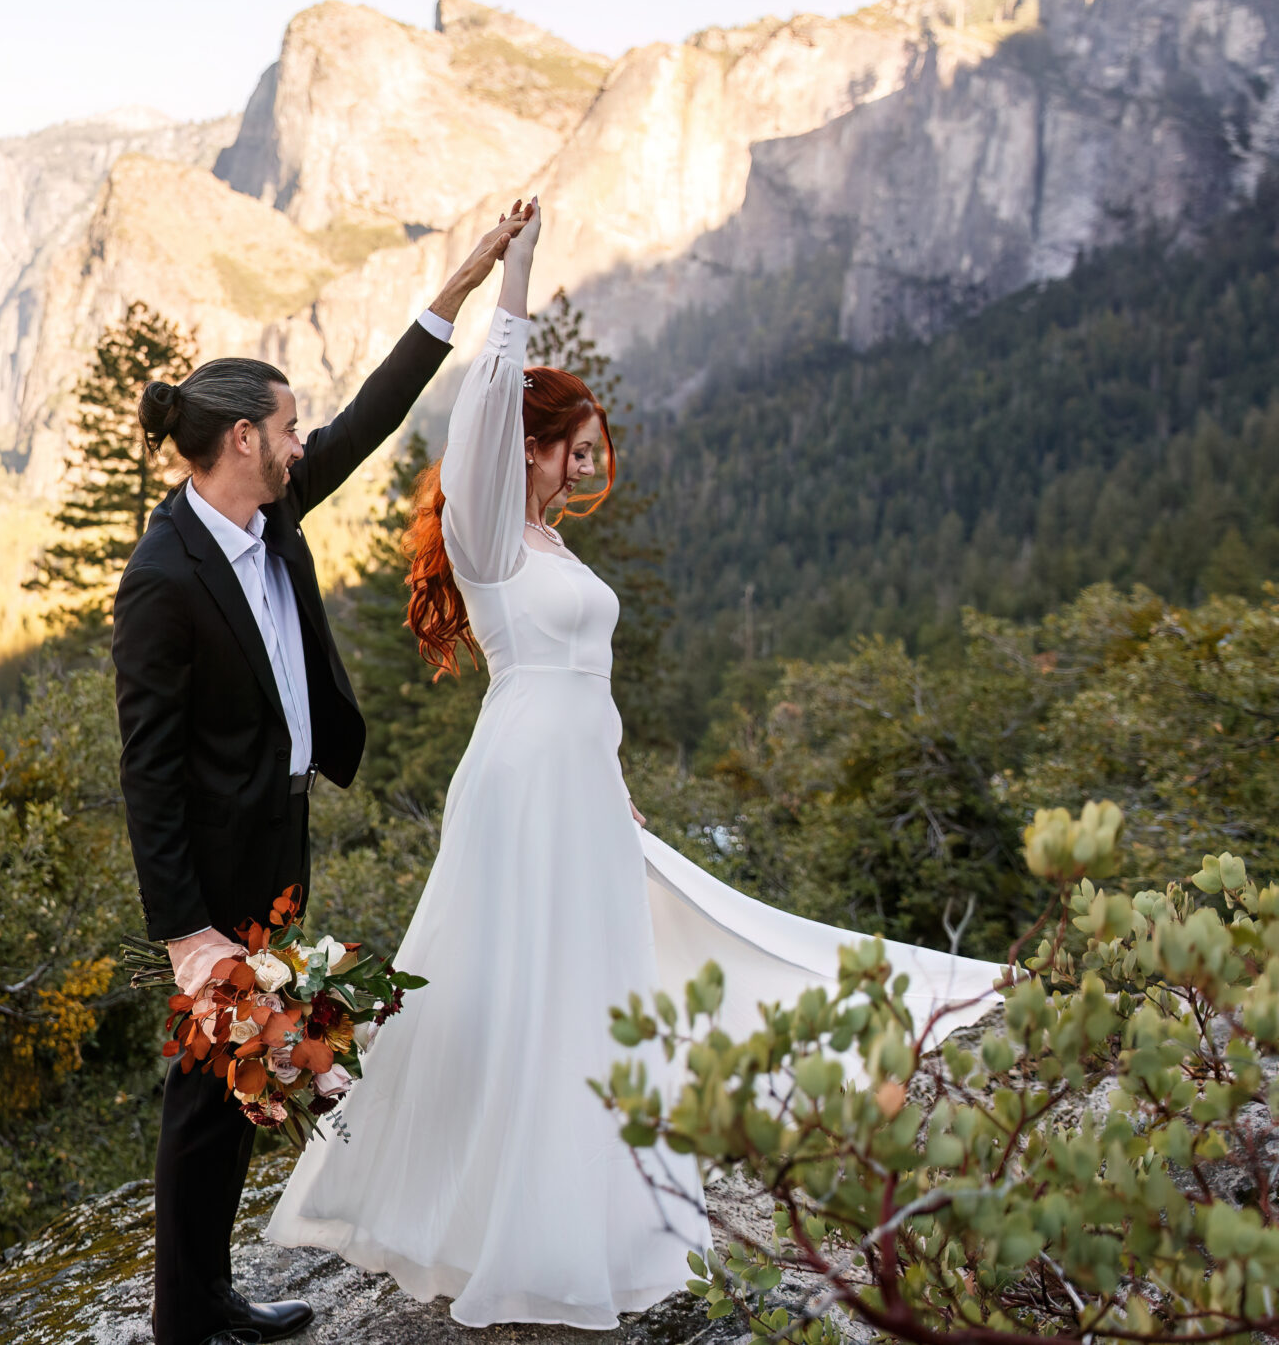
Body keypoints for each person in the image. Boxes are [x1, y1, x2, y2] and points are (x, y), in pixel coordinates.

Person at [262, 198, 1007, 1327]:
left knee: (603, 981)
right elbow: (482, 402)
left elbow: (593, 692)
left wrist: (615, 786)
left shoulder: (550, 544)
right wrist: (511, 279)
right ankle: (496, 1217)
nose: (583, 468)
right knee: (515, 983)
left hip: (578, 779)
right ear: (531, 446)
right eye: (573, 449)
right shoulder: (489, 533)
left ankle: (599, 1202)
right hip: (518, 781)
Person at [113, 201, 534, 1345]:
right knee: (207, 1089)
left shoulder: (274, 508)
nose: (304, 441)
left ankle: (200, 1299)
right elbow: (145, 770)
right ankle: (186, 1318)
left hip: (277, 842)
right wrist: (186, 935)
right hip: (212, 878)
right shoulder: (162, 578)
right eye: (287, 427)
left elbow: (372, 417)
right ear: (242, 437)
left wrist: (460, 282)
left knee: (242, 1087)